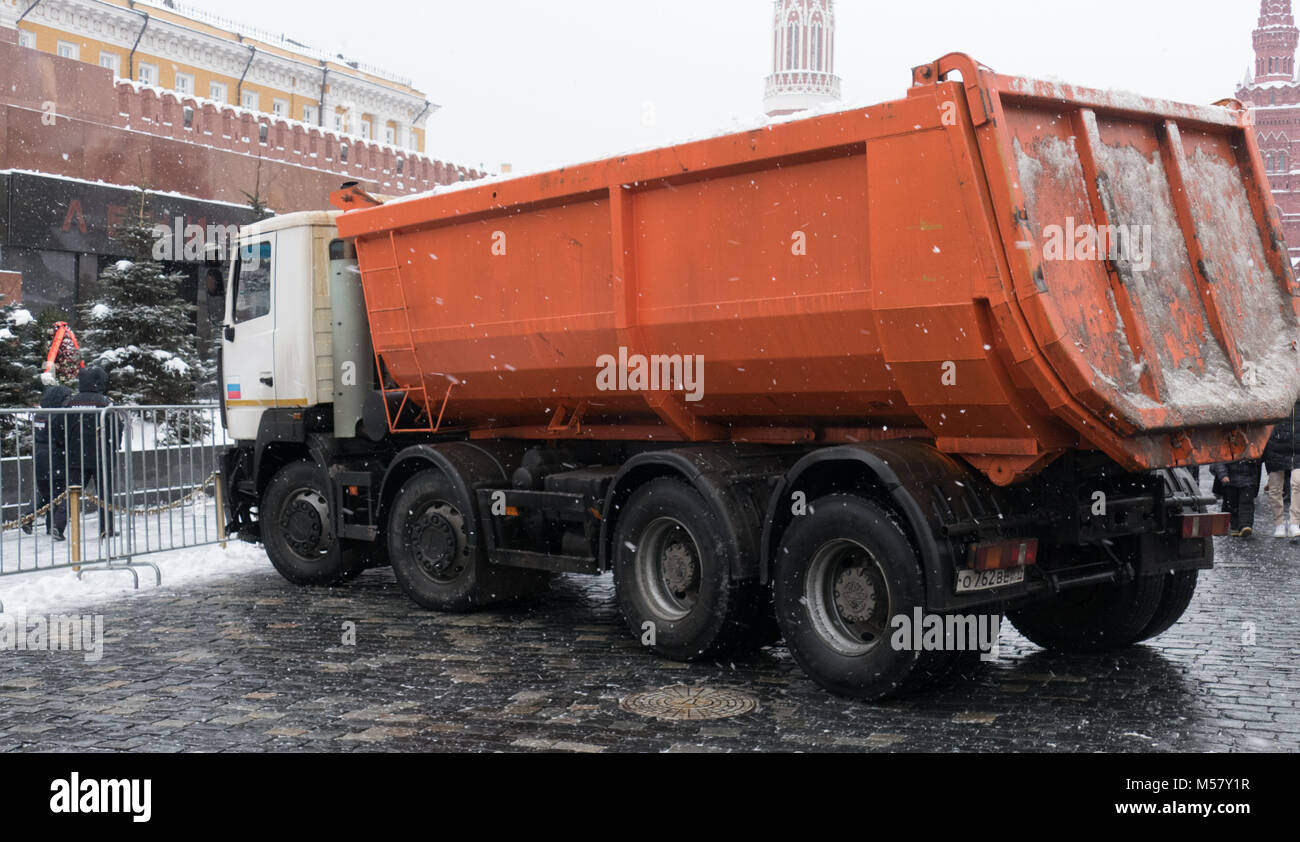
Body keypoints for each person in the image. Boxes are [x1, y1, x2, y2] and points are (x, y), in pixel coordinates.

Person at [65, 367, 121, 538]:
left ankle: (58, 526)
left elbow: (61, 427)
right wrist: (114, 446)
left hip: (75, 456)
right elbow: (117, 427)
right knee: (105, 494)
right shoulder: (106, 402)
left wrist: (67, 447)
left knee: (70, 494)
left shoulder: (70, 402)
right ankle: (106, 528)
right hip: (101, 456)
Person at [21, 384, 73, 541]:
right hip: (55, 457)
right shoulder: (58, 415)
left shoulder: (40, 414)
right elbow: (61, 438)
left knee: (46, 493)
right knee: (62, 493)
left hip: (39, 457)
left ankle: (30, 516)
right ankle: (56, 527)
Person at [1263, 400, 1300, 538]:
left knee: (1298, 483)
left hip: (1297, 450)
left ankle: (1294, 522)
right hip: (1275, 448)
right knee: (1275, 489)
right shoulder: (1276, 399)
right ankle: (1279, 523)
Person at [1210, 458, 1264, 538]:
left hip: (1246, 478)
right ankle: (1236, 526)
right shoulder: (1226, 448)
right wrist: (1223, 475)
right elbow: (1219, 461)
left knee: (1246, 503)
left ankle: (1245, 525)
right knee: (1233, 503)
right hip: (1232, 479)